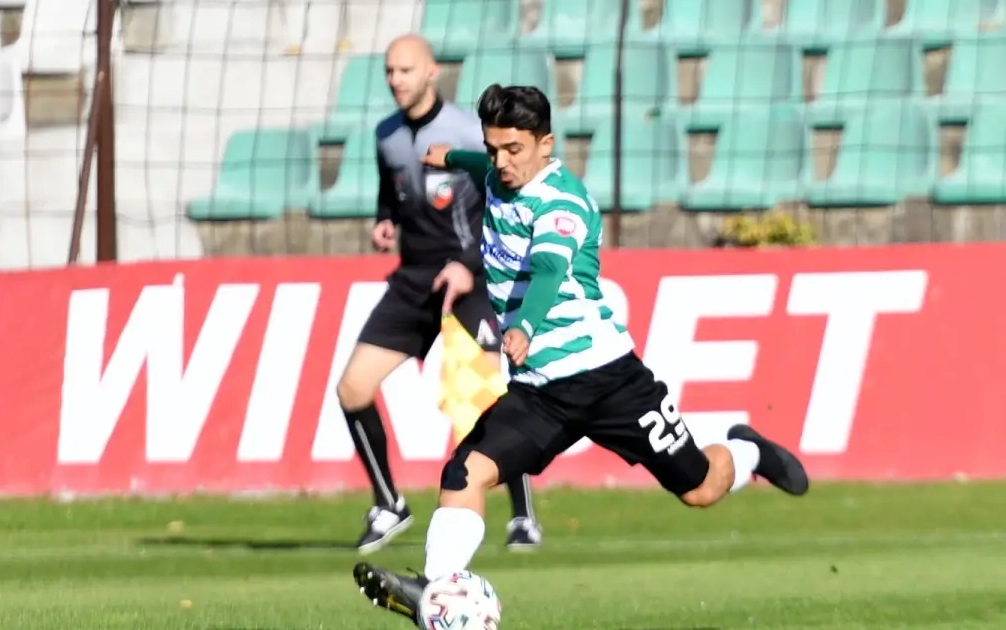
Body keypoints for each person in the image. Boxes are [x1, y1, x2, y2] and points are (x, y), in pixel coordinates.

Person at [351, 84, 810, 620]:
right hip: (540, 393)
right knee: (464, 473)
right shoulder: (496, 173)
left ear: (546, 144)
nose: (501, 162)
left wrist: (524, 326)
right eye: (493, 149)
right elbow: (482, 165)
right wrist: (452, 157)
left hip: (607, 379)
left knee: (701, 489)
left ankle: (748, 449)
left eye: (514, 150)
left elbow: (549, 270)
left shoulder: (562, 202)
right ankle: (434, 590)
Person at [336, 35, 543, 555]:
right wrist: (385, 220)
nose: (395, 80)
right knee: (352, 388)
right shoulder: (386, 135)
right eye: (389, 71)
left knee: (490, 400)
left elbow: (501, 204)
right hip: (415, 279)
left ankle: (522, 516)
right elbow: (392, 194)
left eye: (405, 70)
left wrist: (468, 265)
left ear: (431, 72)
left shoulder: (465, 132)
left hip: (472, 275)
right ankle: (389, 504)